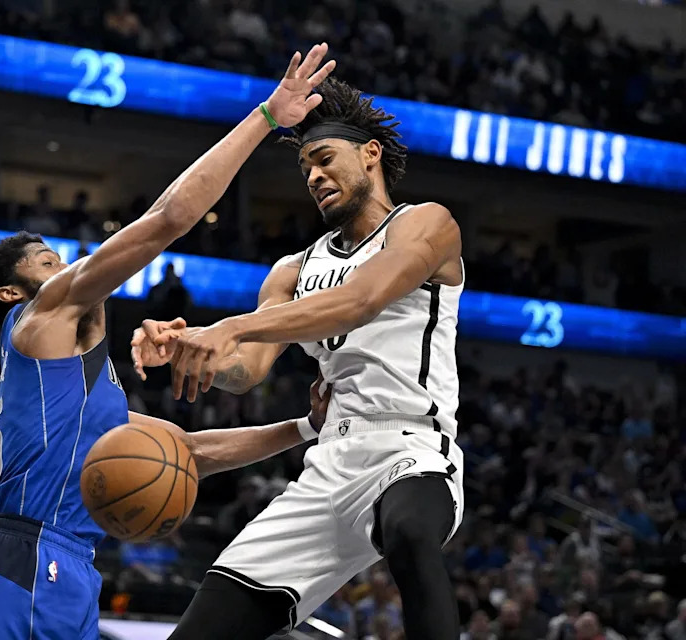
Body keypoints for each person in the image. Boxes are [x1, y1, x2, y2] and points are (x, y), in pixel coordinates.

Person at [0, 44, 337, 640]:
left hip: (74, 571)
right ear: (11, 293)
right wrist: (265, 119)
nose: (68, 267)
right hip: (20, 563)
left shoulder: (85, 394)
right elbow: (168, 219)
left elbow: (190, 452)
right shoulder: (38, 319)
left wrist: (306, 428)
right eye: (48, 262)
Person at [134, 77, 466, 639]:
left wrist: (231, 327)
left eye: (325, 159)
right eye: (305, 168)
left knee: (409, 533)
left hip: (410, 448)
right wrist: (190, 348)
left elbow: (360, 301)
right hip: (328, 458)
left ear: (370, 154)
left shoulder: (425, 223)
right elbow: (246, 372)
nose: (313, 177)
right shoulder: (292, 269)